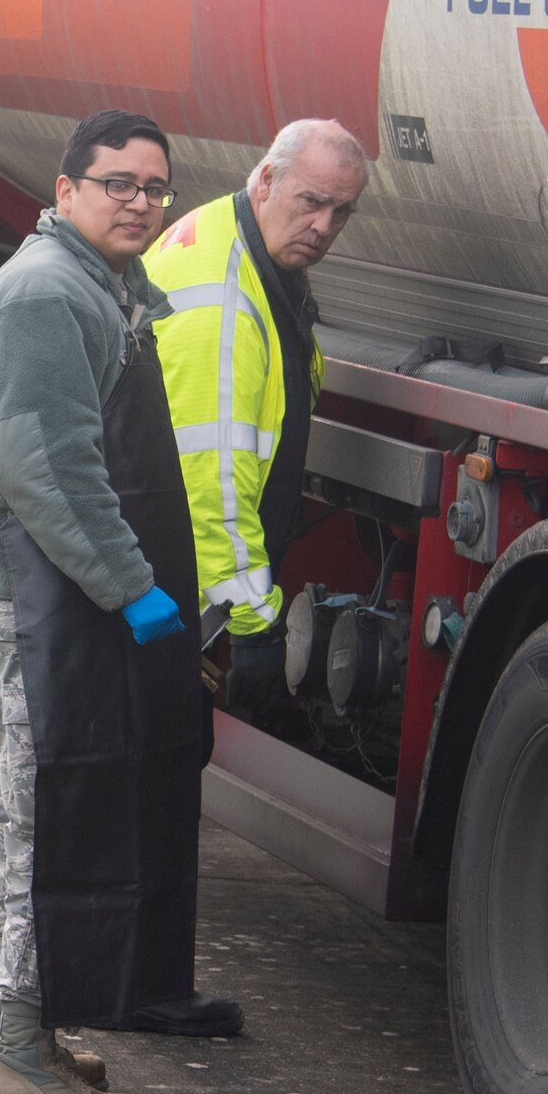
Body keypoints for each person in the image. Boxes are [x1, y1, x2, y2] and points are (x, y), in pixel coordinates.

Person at [0, 107, 205, 1094]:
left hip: (59, 597)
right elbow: (44, 467)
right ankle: (16, 1059)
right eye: (116, 183)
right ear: (65, 192)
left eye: (154, 186)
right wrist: (130, 586)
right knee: (39, 826)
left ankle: (27, 1033)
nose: (139, 202)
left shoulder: (100, 287)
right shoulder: (45, 296)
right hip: (32, 603)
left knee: (47, 814)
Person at [150, 121, 368, 731]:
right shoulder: (225, 304)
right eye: (312, 202)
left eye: (342, 212)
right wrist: (252, 622)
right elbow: (212, 479)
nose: (323, 226)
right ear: (267, 179)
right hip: (168, 598)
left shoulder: (242, 241)